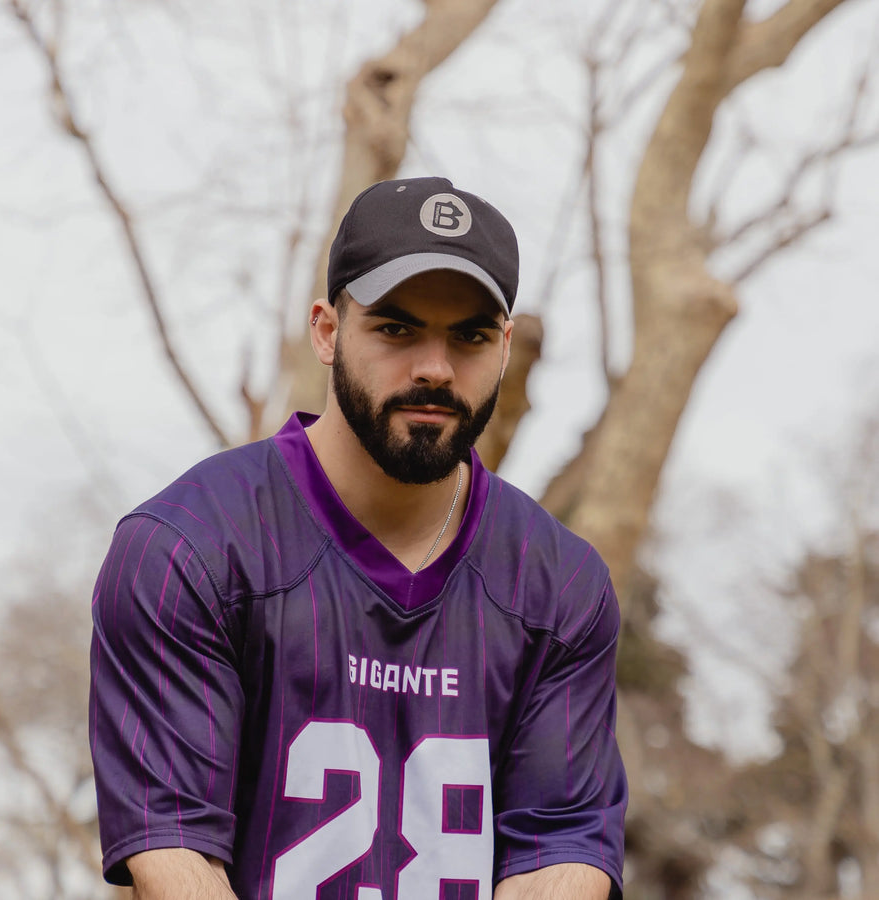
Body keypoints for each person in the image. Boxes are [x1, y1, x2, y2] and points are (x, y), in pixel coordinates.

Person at [89, 176, 627, 900]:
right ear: (326, 330)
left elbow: (560, 850)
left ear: (504, 348)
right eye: (396, 328)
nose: (435, 367)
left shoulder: (559, 584)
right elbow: (176, 853)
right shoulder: (187, 547)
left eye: (468, 335)